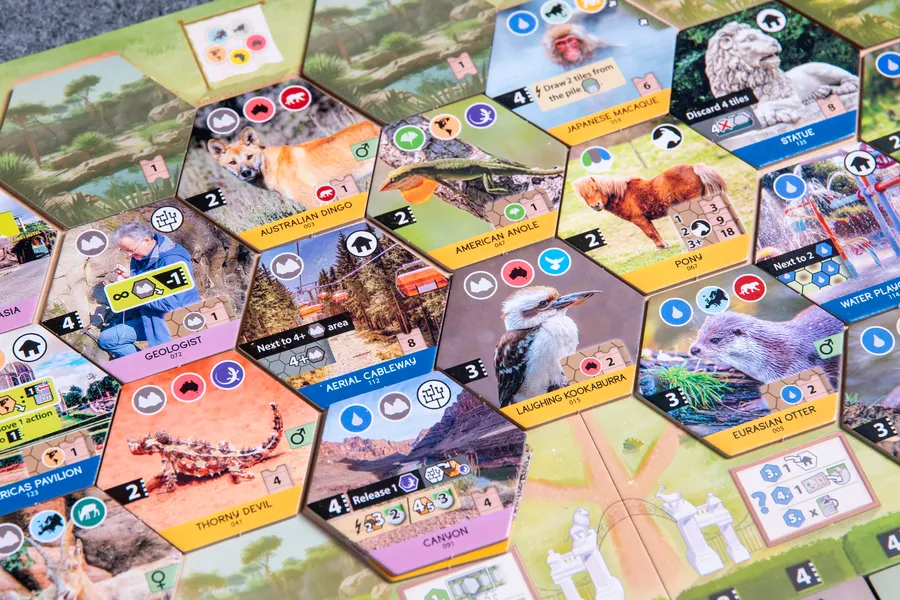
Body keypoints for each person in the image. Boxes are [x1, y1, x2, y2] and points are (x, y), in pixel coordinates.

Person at [97, 222, 201, 358]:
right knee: (108, 339)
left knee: (169, 362)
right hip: (150, 318)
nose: (128, 255)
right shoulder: (140, 257)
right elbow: (149, 285)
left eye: (130, 250)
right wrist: (130, 279)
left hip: (176, 324)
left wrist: (131, 291)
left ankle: (157, 363)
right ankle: (146, 363)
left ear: (146, 240)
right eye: (125, 251)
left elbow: (172, 304)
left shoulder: (172, 261)